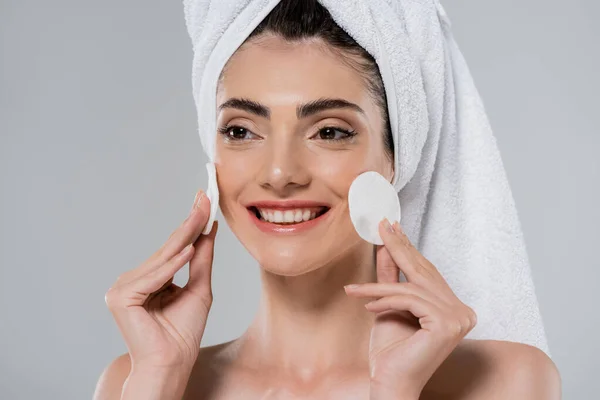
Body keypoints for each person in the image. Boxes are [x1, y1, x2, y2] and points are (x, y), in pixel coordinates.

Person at [93, 1, 561, 399]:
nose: (280, 174)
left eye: (330, 131)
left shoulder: (504, 383)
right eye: (241, 130)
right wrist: (159, 378)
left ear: (398, 157)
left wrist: (394, 391)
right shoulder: (135, 380)